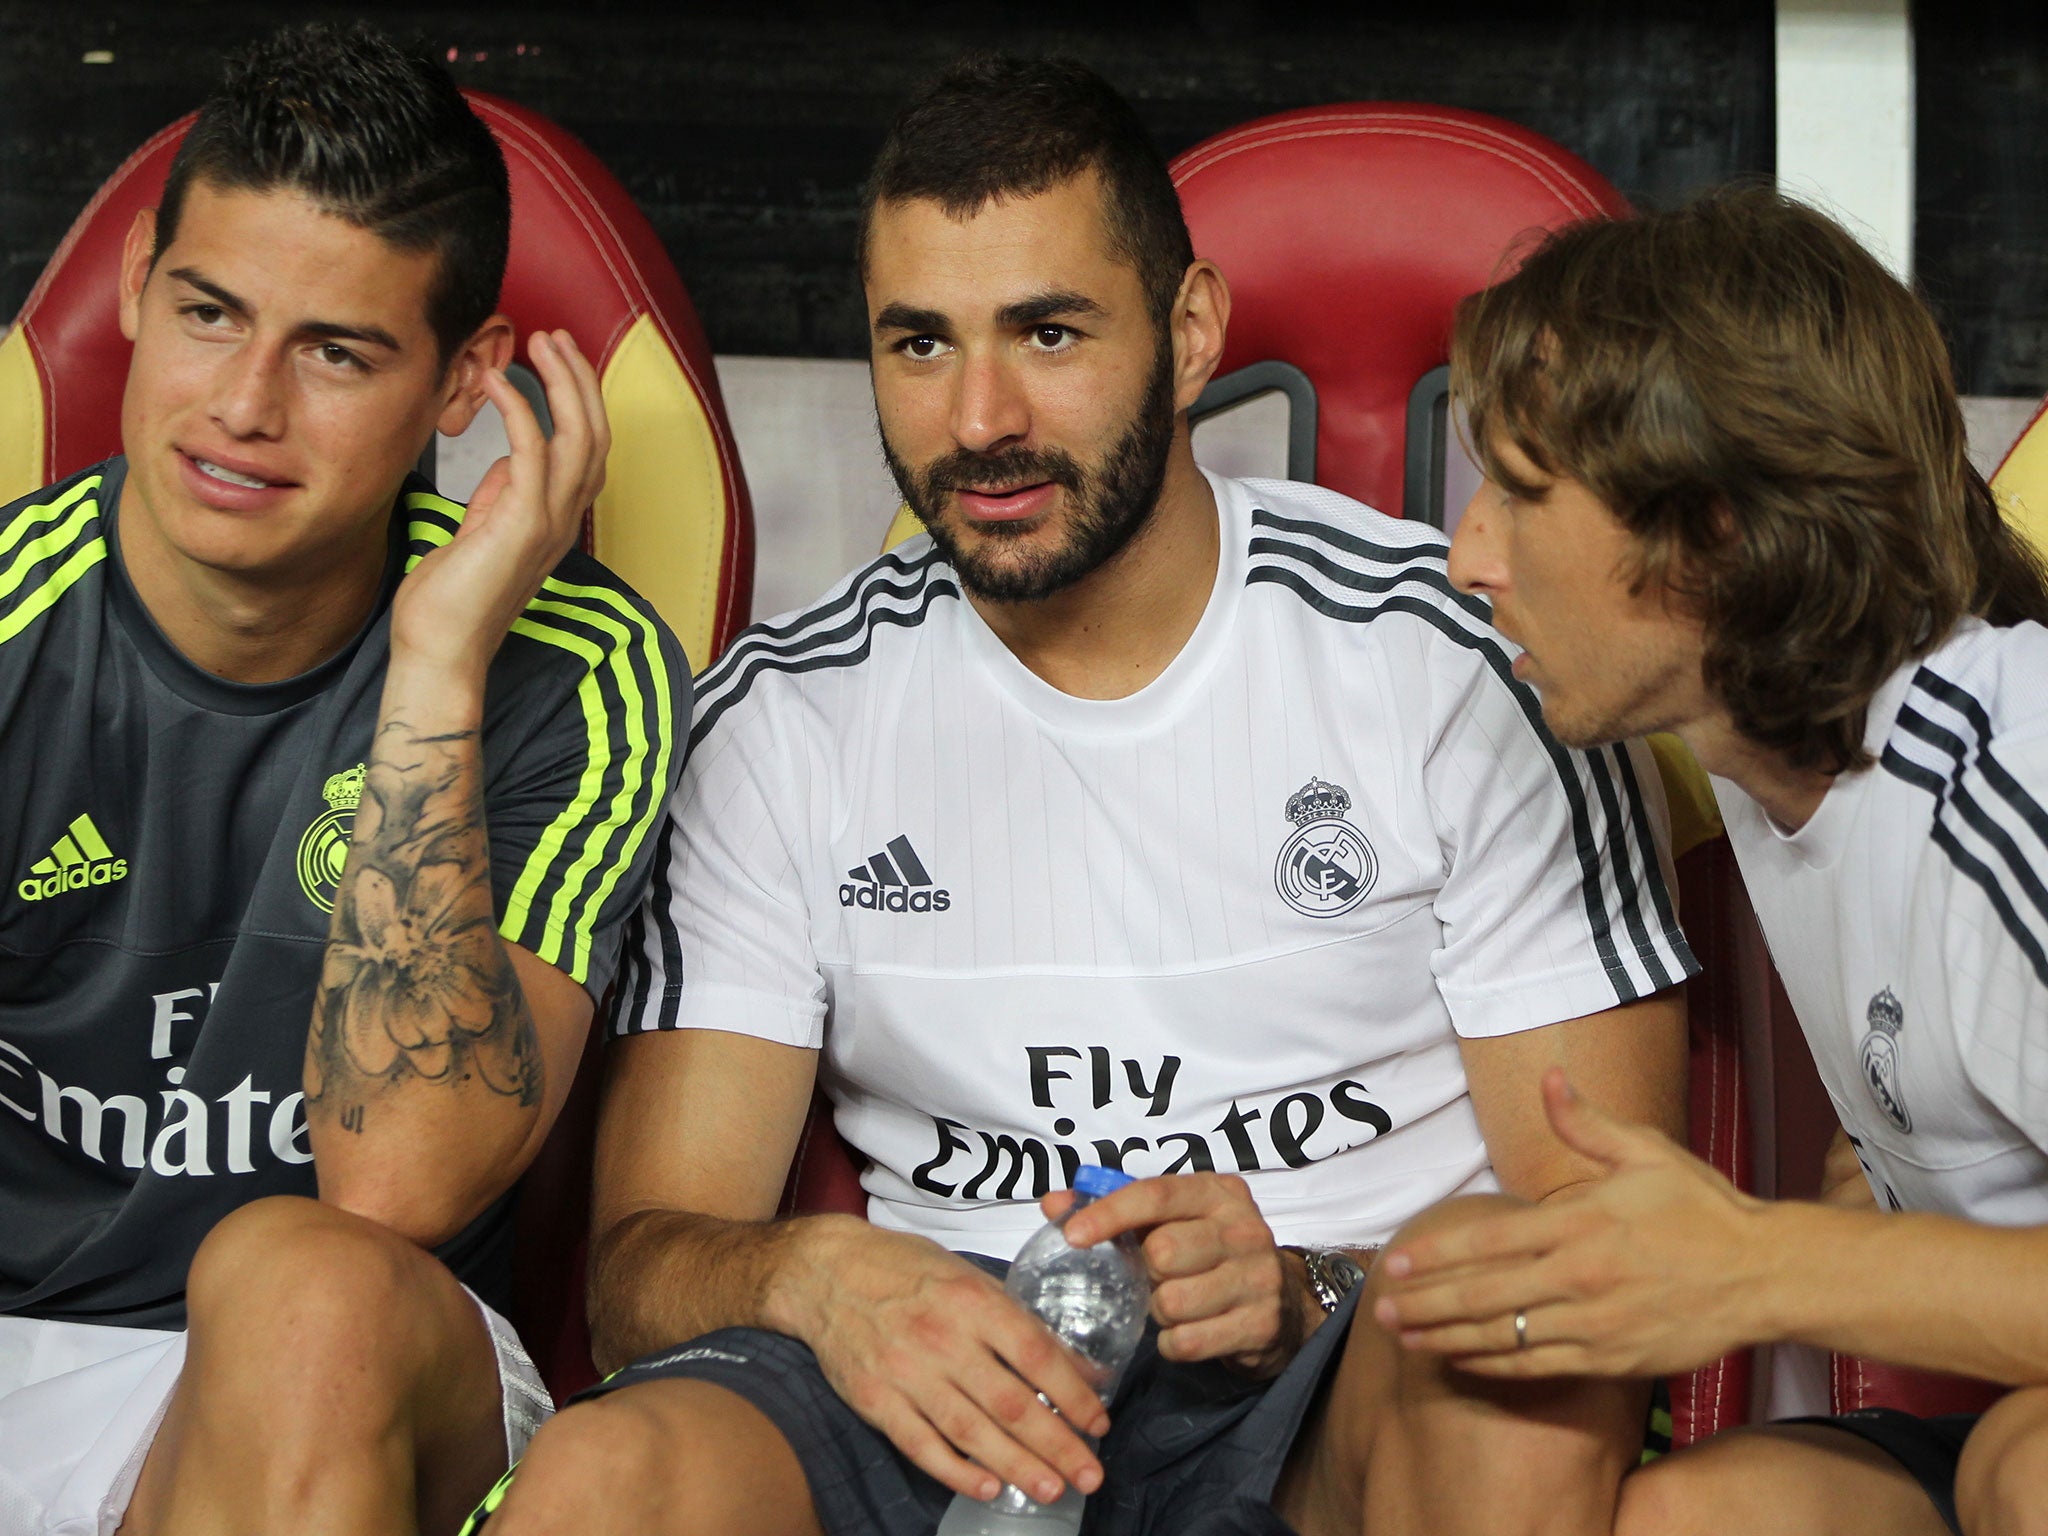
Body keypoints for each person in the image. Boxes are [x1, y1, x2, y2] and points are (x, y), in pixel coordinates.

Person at [482, 54, 1693, 1536]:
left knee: (1521, 1379)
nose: (981, 416)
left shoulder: (1459, 666)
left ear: (1192, 336)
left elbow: (1614, 1246)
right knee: (608, 1478)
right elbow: (636, 1279)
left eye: (1047, 333)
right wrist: (815, 1276)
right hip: (941, 1373)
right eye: (919, 345)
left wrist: (1310, 1288)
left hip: (1338, 1371)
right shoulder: (785, 720)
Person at [0, 22, 687, 1536]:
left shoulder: (577, 674)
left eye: (336, 351)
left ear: (465, 382)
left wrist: (436, 663)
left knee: (302, 1281)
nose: (245, 405)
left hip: (364, 1368)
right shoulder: (8, 620)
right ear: (133, 292)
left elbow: (398, 1191)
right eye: (207, 314)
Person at [1372, 185, 2048, 1536]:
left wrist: (1765, 1264)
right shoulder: (1765, 741)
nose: (1467, 558)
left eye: (1518, 492)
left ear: (1714, 536)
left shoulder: (2012, 781)